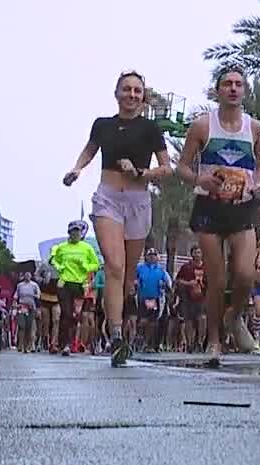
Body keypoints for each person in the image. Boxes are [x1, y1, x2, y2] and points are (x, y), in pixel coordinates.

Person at [64, 70, 173, 367]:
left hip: (138, 202)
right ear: (117, 93)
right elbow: (89, 150)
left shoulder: (151, 129)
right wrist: (76, 169)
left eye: (138, 91)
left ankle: (116, 317)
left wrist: (141, 173)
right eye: (127, 89)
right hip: (108, 199)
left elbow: (167, 168)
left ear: (143, 96)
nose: (132, 95)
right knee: (114, 265)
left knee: (125, 276)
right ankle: (115, 336)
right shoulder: (103, 125)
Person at [176, 66, 260, 366]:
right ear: (218, 90)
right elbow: (183, 167)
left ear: (244, 91)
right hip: (209, 208)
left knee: (244, 273)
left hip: (242, 207)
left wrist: (259, 184)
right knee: (216, 279)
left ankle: (235, 317)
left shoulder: (254, 128)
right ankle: (214, 342)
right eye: (227, 83)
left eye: (238, 84)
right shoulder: (203, 126)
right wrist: (199, 180)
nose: (233, 88)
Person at [49, 220, 102, 356]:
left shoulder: (87, 248)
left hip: (80, 285)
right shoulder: (62, 247)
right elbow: (53, 260)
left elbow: (96, 264)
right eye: (73, 231)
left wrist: (86, 266)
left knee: (75, 316)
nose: (75, 234)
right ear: (69, 233)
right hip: (65, 283)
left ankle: (69, 341)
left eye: (78, 231)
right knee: (66, 313)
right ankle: (65, 344)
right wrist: (59, 266)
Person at [135, 247, 172, 352]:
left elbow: (169, 284)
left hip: (155, 298)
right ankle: (139, 338)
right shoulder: (140, 268)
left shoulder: (161, 270)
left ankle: (148, 343)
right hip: (142, 298)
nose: (152, 257)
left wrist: (164, 285)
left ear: (157, 257)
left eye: (154, 255)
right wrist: (135, 283)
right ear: (146, 257)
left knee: (153, 322)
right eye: (150, 255)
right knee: (142, 320)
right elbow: (133, 279)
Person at [176, 245, 208, 353]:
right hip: (188, 297)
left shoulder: (206, 267)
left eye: (199, 252)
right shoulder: (186, 267)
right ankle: (189, 344)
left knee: (202, 319)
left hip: (202, 298)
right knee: (188, 321)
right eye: (195, 252)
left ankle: (199, 343)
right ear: (192, 254)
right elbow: (178, 280)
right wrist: (189, 283)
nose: (197, 255)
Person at [35, 258, 60, 352]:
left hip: (56, 297)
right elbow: (36, 275)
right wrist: (43, 280)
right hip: (45, 296)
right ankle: (45, 338)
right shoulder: (44, 265)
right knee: (46, 321)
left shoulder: (61, 266)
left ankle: (54, 343)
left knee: (56, 320)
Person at [14, 272, 40, 353]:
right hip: (22, 306)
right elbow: (15, 296)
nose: (27, 277)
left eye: (29, 275)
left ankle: (27, 346)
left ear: (31, 277)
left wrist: (33, 295)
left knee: (29, 326)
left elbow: (38, 295)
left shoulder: (34, 285)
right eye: (26, 275)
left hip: (31, 307)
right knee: (22, 326)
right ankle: (20, 345)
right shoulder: (20, 285)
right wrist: (15, 304)